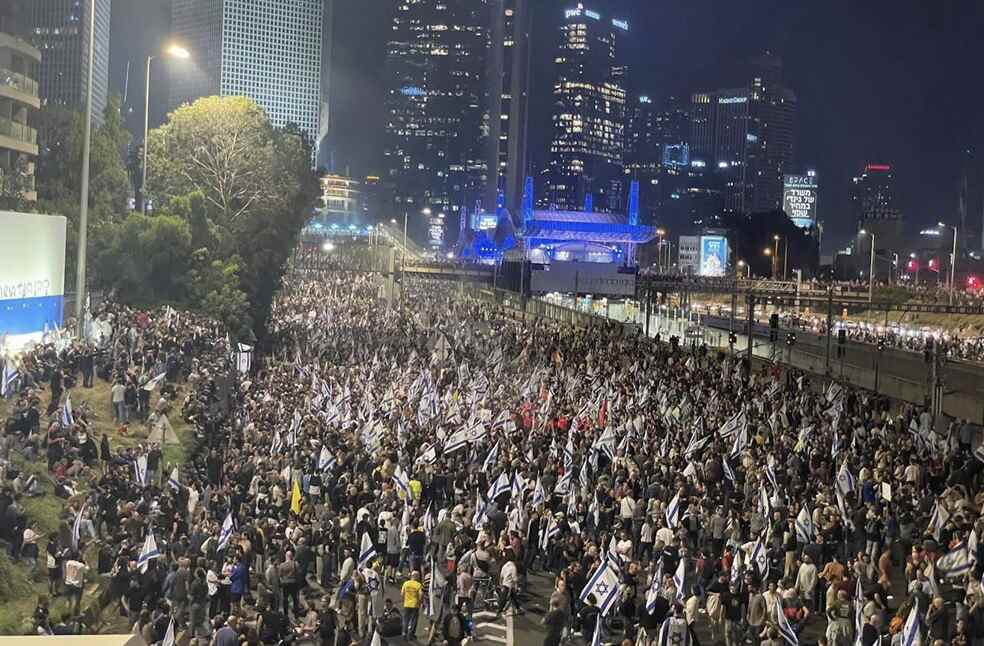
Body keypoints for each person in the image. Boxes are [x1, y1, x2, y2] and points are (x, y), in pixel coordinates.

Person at [401, 570, 424, 641]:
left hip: (406, 604)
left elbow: (402, 594)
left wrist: (404, 600)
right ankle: (411, 635)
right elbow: (421, 595)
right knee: (413, 620)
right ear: (416, 577)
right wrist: (420, 602)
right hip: (415, 604)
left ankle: (404, 633)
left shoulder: (406, 583)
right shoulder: (418, 585)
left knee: (405, 619)